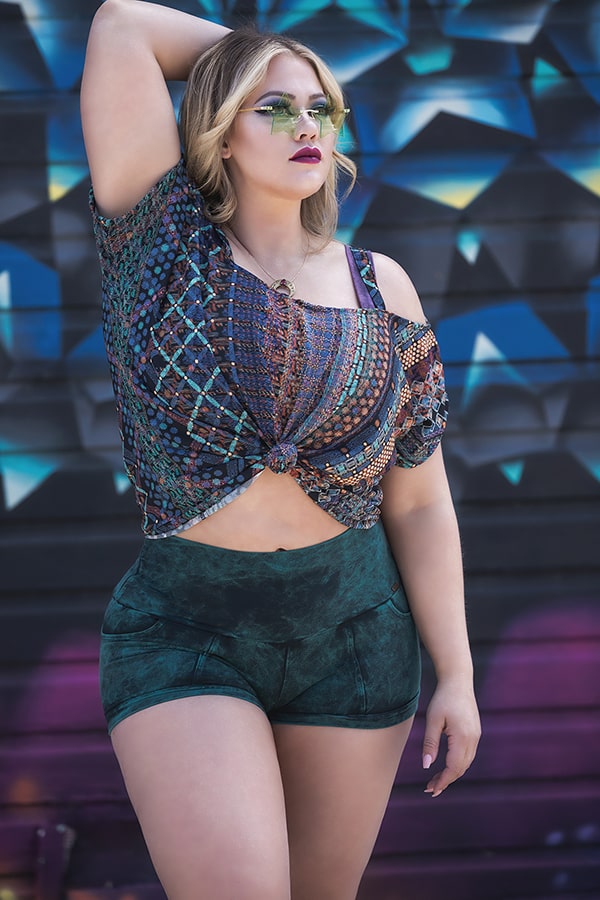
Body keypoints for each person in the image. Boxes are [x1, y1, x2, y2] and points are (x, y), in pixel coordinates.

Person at [81, 1, 481, 897]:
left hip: (356, 633)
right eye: (273, 108)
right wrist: (258, 58)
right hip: (188, 633)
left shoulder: (383, 286)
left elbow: (420, 500)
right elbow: (121, 25)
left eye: (320, 109)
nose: (306, 125)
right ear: (222, 133)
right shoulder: (160, 244)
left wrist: (456, 673)